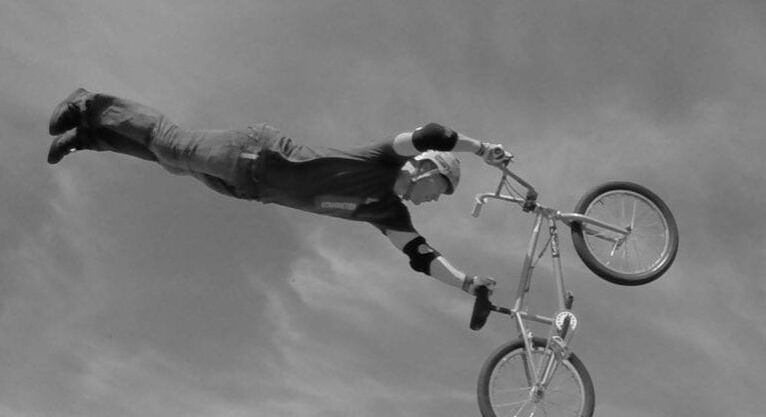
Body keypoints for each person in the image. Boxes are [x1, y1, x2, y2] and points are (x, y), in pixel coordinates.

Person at [47, 88, 511, 300]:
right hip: (254, 153)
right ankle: (90, 105)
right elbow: (433, 132)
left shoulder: (386, 211)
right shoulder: (383, 159)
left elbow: (421, 256)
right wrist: (481, 149)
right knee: (171, 142)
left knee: (168, 160)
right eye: (441, 189)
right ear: (426, 167)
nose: (435, 201)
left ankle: (88, 137)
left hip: (246, 187)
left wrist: (468, 283)